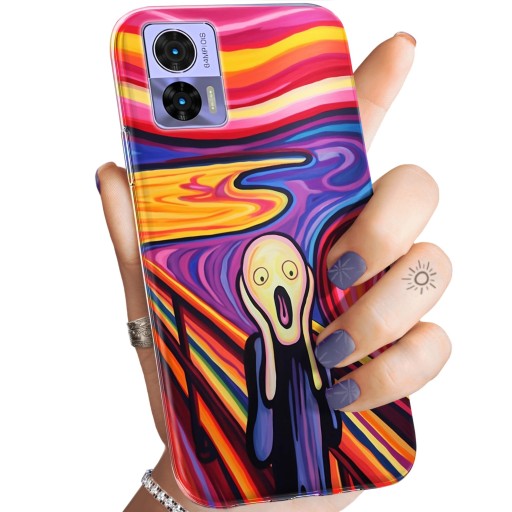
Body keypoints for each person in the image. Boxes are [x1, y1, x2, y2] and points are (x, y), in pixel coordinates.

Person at [96, 32, 452, 512]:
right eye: (262, 280)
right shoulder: (257, 350)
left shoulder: (319, 337)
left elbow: (331, 428)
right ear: (248, 292)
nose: (280, 286)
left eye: (287, 270)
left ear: (305, 275)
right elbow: (261, 447)